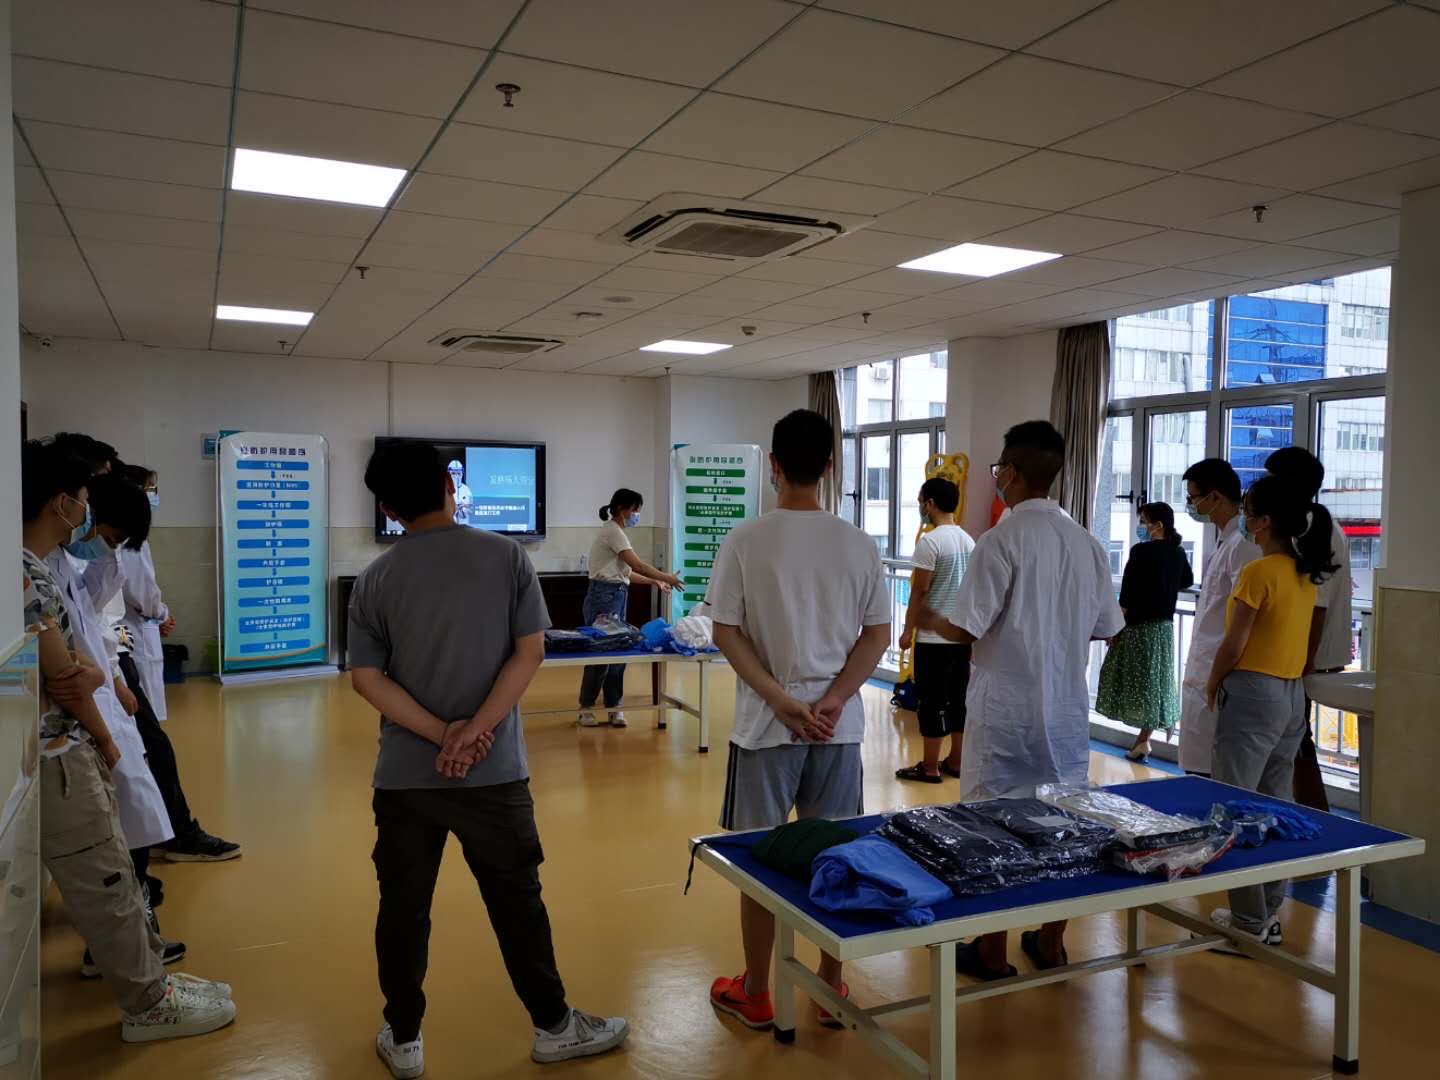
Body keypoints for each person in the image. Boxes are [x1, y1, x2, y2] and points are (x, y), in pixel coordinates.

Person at [349, 440, 627, 1076]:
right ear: (451, 487)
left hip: (406, 779)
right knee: (517, 900)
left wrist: (440, 734)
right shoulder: (507, 556)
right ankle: (554, 1026)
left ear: (387, 508)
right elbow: (531, 651)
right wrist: (474, 732)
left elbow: (367, 678)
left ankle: (404, 1038)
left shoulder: (375, 580)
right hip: (494, 771)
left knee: (403, 908)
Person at [21, 440, 235, 1042]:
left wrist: (97, 677)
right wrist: (104, 730)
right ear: (60, 503)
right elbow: (66, 676)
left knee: (116, 866)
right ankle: (147, 1004)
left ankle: (153, 981)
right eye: (83, 498)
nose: (87, 512)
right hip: (62, 748)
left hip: (75, 738)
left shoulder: (44, 567)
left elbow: (77, 658)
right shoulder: (23, 572)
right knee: (106, 880)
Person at [917, 420, 1123, 978]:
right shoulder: (1086, 543)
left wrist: (931, 619)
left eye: (997, 470)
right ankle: (1051, 943)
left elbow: (967, 627)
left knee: (990, 824)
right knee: (1064, 822)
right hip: (1064, 710)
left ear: (1009, 472)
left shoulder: (1001, 540)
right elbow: (1105, 628)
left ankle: (991, 951)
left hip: (1005, 710)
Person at [706, 409, 891, 1032]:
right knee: (836, 857)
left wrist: (781, 701)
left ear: (774, 465)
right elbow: (876, 634)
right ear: (830, 466)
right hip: (837, 731)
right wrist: (834, 698)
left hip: (766, 729)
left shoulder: (745, 539)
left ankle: (758, 992)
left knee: (758, 861)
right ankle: (830, 990)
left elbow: (725, 631)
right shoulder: (858, 542)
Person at [1204, 475, 1338, 947]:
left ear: (1262, 522)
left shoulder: (1258, 573)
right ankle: (1268, 911)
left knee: (1237, 806)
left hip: (1252, 693)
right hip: (1290, 695)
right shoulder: (1303, 573)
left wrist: (1213, 682)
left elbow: (1234, 643)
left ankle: (1247, 922)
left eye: (1247, 511)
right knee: (1276, 804)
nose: (1243, 519)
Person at [97, 469, 242, 864]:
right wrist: (159, 613)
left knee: (148, 745)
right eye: (150, 490)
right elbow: (139, 595)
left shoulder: (99, 545)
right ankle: (172, 834)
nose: (154, 496)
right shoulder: (118, 542)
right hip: (119, 648)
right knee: (151, 747)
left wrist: (157, 615)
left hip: (119, 646)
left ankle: (161, 831)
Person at [1265, 446, 1350, 812]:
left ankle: (1315, 815)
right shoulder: (1315, 522)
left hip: (1304, 658)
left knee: (1297, 743)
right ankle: (1308, 813)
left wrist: (1302, 663)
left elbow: (1317, 605)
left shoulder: (1315, 527)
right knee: (1296, 741)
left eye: (1271, 479)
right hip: (1304, 656)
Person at [1176, 460, 1261, 776]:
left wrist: (1216, 676)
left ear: (1215, 497)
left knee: (1214, 770)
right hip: (1205, 666)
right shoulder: (1224, 540)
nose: (1191, 505)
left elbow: (1244, 615)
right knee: (1198, 764)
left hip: (1220, 672)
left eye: (1194, 497)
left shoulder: (1244, 545)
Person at [1095, 501, 1194, 762]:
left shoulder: (1140, 552)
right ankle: (1146, 737)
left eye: (1143, 521)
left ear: (1157, 525)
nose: (1140, 526)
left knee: (1130, 679)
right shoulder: (1178, 552)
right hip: (1163, 629)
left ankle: (1145, 738)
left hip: (1138, 628)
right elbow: (1187, 580)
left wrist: (1114, 628)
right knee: (1156, 681)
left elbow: (1127, 595)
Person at [577, 489, 682, 728]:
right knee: (600, 653)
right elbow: (638, 565)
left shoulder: (618, 532)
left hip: (616, 595)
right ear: (622, 509)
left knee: (619, 652)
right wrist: (667, 576)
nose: (636, 515)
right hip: (603, 597)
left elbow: (626, 573)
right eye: (635, 510)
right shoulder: (613, 531)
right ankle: (586, 708)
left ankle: (614, 707)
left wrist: (655, 581)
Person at [895, 477, 974, 784]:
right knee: (958, 700)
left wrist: (907, 629)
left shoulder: (931, 542)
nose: (920, 507)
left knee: (932, 701)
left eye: (920, 501)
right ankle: (956, 761)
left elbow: (919, 590)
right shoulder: (968, 541)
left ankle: (929, 768)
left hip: (933, 638)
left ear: (930, 504)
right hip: (961, 636)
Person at [447, 459, 472, 525]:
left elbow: (470, 509)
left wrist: (463, 508)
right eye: (453, 473)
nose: (456, 476)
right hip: (449, 526)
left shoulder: (466, 490)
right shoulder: (445, 490)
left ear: (462, 473)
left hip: (464, 526)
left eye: (458, 473)